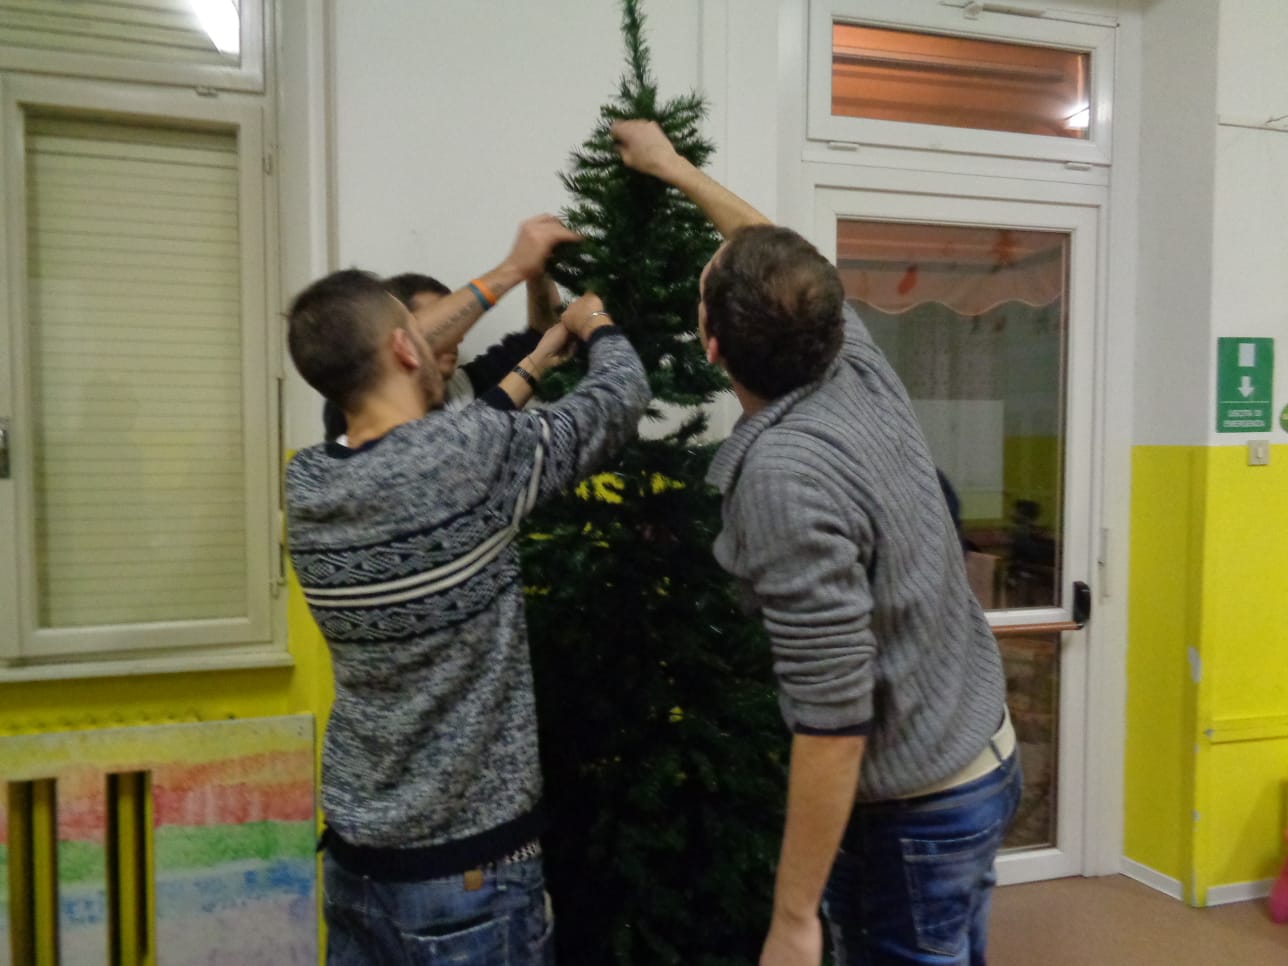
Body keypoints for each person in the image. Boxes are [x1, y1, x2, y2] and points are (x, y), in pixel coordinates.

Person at [613, 120, 1019, 966]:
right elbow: (780, 256)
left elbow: (835, 716)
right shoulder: (852, 363)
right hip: (980, 760)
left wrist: (793, 918)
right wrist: (677, 170)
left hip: (917, 813)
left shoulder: (784, 476)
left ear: (712, 344)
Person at [284, 213, 651, 965]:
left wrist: (526, 306)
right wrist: (595, 323)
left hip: (358, 860)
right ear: (401, 346)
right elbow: (620, 397)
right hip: (470, 871)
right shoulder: (467, 455)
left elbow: (425, 410)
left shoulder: (309, 483)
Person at [324, 271, 562, 441]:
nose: (457, 338)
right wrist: (515, 266)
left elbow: (542, 337)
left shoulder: (463, 385)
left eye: (459, 326)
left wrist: (537, 273)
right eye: (448, 325)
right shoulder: (353, 406)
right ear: (397, 337)